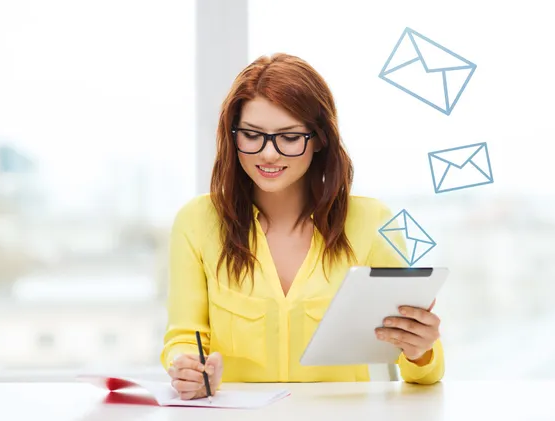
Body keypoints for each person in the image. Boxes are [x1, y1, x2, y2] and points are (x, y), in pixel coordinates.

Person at [160, 53, 444, 400]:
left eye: (289, 137)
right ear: (232, 136)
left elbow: (424, 375)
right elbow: (183, 338)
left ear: (319, 139)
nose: (268, 154)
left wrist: (421, 351)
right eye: (252, 135)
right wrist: (187, 366)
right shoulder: (196, 222)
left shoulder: (373, 223)